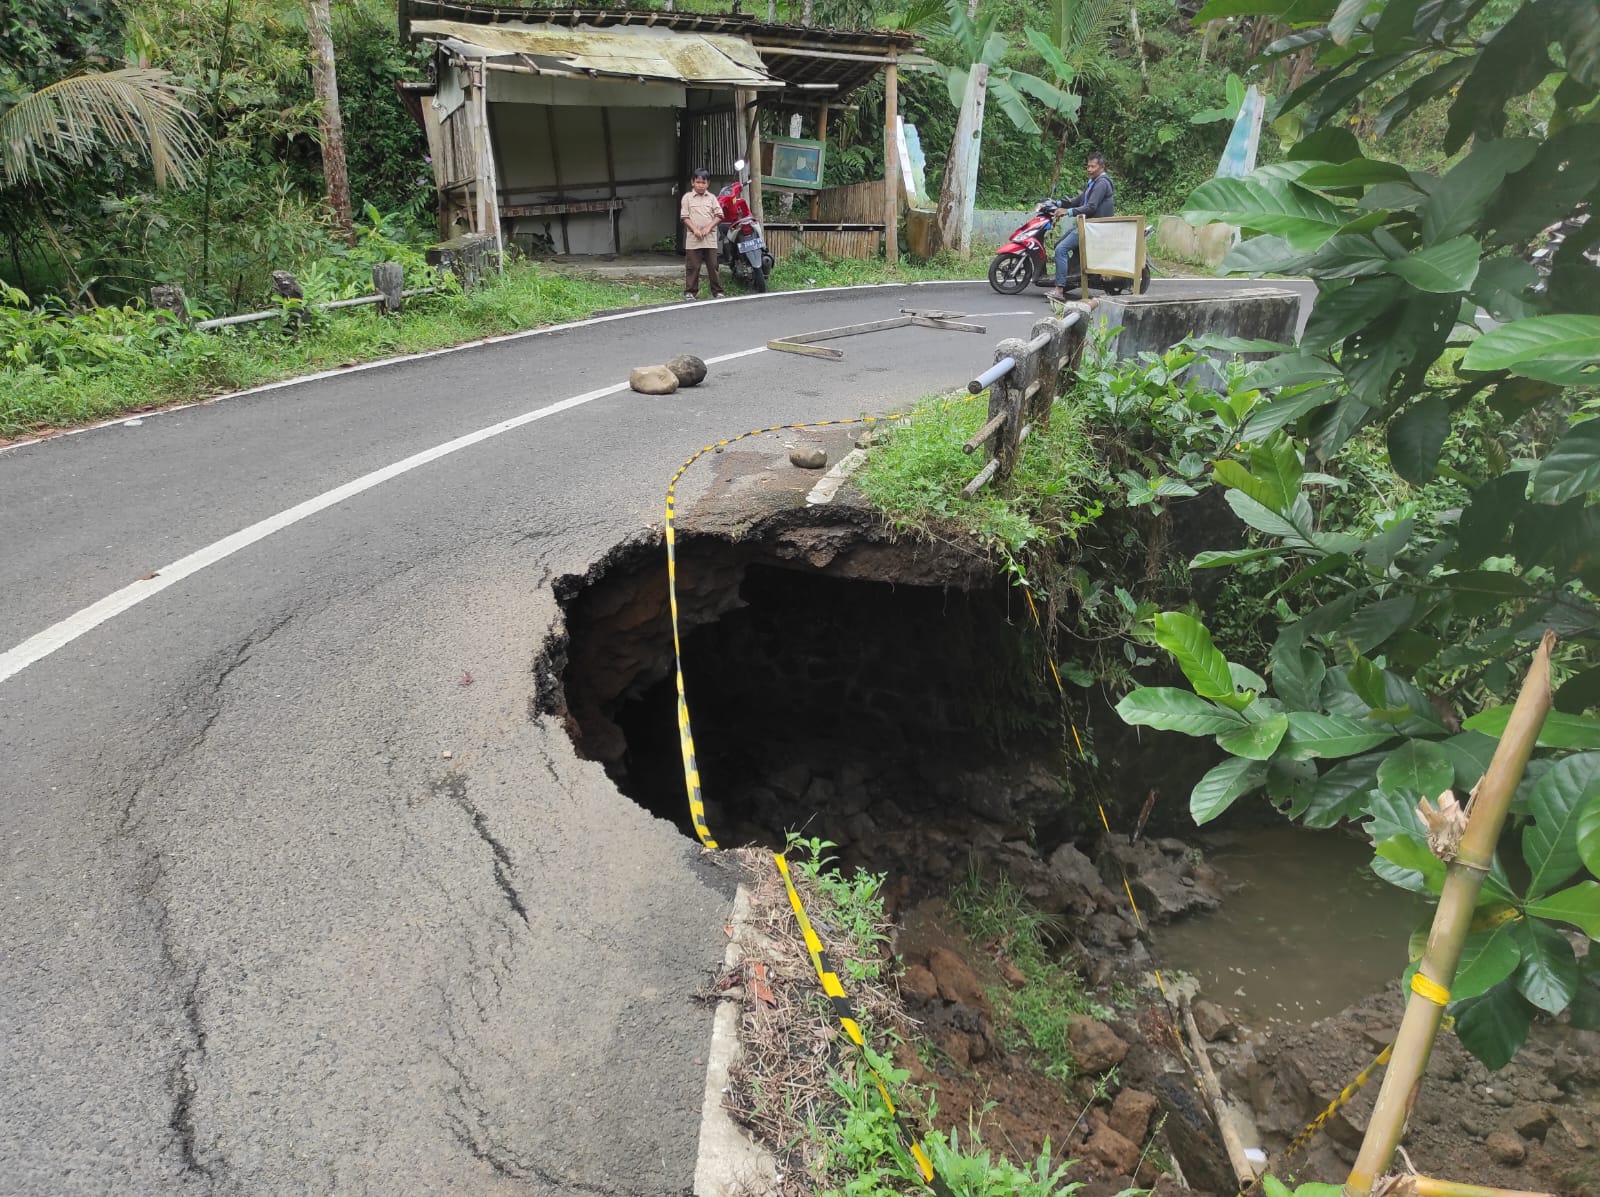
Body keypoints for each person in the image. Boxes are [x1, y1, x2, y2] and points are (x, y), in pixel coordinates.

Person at [1048, 152, 1115, 301]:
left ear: (1101, 167)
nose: (1089, 169)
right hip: (1087, 225)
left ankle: (1059, 290)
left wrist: (1068, 212)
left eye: (1093, 166)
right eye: (1088, 166)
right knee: (1059, 244)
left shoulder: (1102, 183)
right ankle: (1070, 277)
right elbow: (1078, 200)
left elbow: (1091, 206)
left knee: (1061, 249)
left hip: (1094, 227)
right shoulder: (1093, 182)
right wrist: (1057, 203)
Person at [680, 168, 726, 301]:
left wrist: (708, 227)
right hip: (693, 240)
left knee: (713, 266)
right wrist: (695, 229)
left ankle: (717, 292)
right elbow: (685, 217)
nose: (700, 185)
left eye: (703, 182)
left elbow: (719, 215)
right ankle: (690, 292)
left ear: (708, 184)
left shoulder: (712, 198)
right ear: (692, 183)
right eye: (698, 182)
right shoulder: (687, 198)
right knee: (692, 266)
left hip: (710, 239)